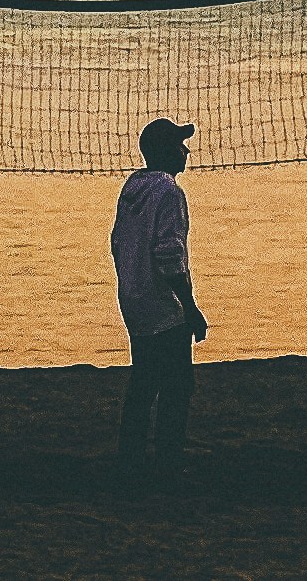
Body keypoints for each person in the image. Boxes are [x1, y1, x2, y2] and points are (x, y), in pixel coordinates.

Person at [110, 116, 206, 483]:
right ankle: (168, 464)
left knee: (143, 384)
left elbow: (117, 243)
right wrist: (190, 308)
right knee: (177, 388)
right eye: (180, 145)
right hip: (165, 307)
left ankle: (130, 461)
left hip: (134, 301)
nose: (186, 151)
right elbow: (169, 256)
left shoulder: (133, 187)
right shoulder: (169, 192)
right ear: (167, 152)